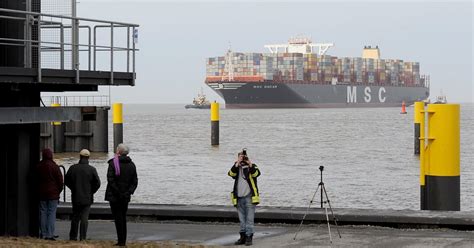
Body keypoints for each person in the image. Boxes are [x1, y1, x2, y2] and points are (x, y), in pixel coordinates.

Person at [105, 144, 138, 247]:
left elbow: (111, 180)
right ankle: (123, 240)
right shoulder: (132, 165)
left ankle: (121, 241)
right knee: (123, 217)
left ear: (118, 152)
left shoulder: (113, 163)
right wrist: (128, 193)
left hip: (115, 196)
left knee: (118, 218)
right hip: (125, 197)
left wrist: (118, 192)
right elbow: (134, 182)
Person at [64, 149, 101, 241]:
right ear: (88, 158)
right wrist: (91, 191)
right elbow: (98, 183)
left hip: (76, 196)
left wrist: (74, 188)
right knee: (85, 218)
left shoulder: (73, 168)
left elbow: (66, 181)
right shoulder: (92, 169)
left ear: (80, 157)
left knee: (75, 217)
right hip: (87, 197)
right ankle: (83, 237)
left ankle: (73, 237)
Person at [228, 149, 261, 246]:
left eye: (244, 157)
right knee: (242, 220)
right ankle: (242, 237)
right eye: (240, 157)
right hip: (238, 198)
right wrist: (237, 163)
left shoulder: (252, 166)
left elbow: (257, 174)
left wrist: (249, 164)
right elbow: (231, 174)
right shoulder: (236, 167)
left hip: (250, 197)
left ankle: (249, 237)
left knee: (249, 220)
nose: (242, 159)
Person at [37, 148, 63, 240]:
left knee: (43, 212)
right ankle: (50, 234)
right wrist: (58, 191)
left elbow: (33, 179)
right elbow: (60, 181)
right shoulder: (54, 166)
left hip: (41, 194)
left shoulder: (39, 166)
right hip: (53, 195)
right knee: (51, 213)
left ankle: (43, 233)